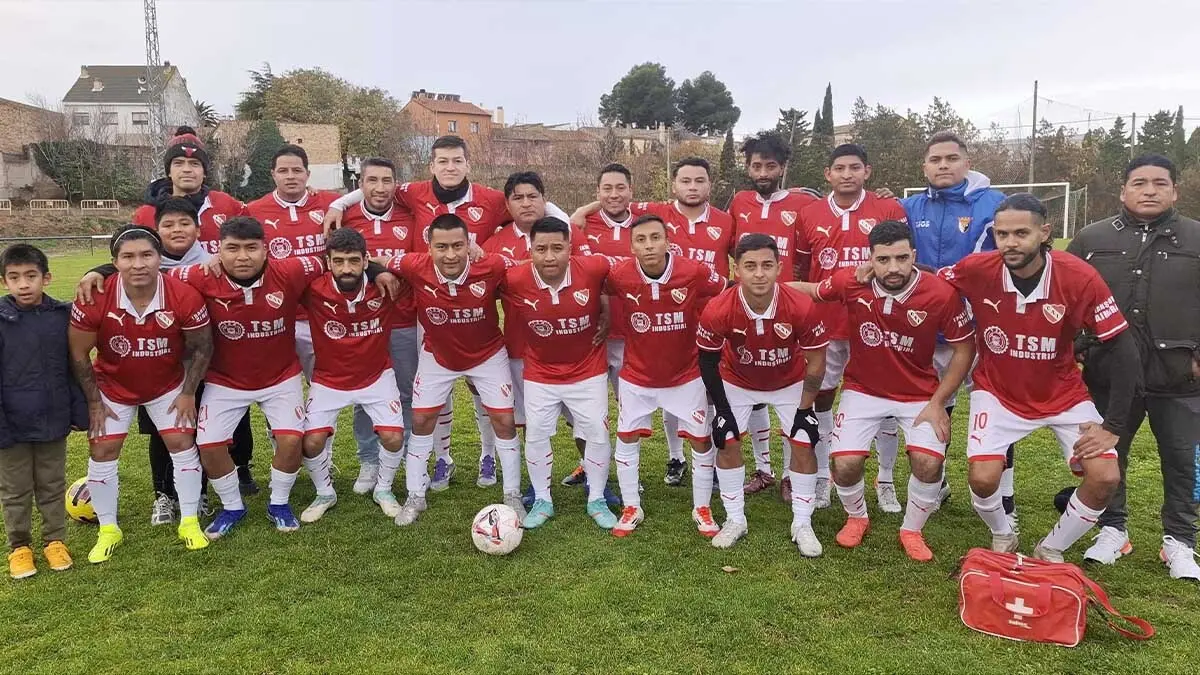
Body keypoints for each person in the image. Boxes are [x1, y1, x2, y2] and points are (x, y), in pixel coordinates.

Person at [936, 193, 1139, 562]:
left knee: (1106, 476)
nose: (1010, 243)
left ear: (1044, 232)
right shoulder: (977, 269)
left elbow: (1122, 347)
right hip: (996, 390)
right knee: (982, 479)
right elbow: (931, 282)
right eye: (1002, 234)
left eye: (1021, 233)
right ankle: (1003, 534)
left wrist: (1113, 426)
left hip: (1062, 393)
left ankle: (1051, 548)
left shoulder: (1078, 276)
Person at [792, 221, 974, 561]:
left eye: (902, 258)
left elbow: (964, 348)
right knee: (844, 465)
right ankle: (857, 517)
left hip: (919, 393)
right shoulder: (852, 282)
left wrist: (939, 402)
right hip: (863, 390)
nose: (893, 268)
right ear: (870, 259)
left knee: (928, 463)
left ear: (914, 256)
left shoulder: (939, 293)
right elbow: (814, 291)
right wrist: (756, 287)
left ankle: (912, 530)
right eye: (883, 259)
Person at [78, 198, 256, 524]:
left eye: (184, 223)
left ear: (199, 230)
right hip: (152, 366)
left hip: (205, 363)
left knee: (202, 431)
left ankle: (213, 486)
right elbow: (129, 259)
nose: (177, 230)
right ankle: (164, 494)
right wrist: (97, 271)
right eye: (168, 224)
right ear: (157, 231)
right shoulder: (140, 262)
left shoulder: (216, 260)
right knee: (161, 434)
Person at [1066, 154, 1200, 580]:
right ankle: (1112, 530)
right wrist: (1079, 345)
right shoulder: (1092, 237)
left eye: (1160, 183)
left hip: (1178, 377)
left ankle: (1180, 541)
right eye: (1139, 183)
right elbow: (1065, 297)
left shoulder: (1196, 238)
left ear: (1175, 191)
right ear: (1123, 190)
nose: (1149, 190)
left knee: (1182, 461)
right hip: (1109, 375)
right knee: (1108, 455)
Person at [572, 158, 735, 487]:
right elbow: (591, 277)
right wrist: (581, 212)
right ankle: (594, 466)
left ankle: (687, 459)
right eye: (607, 189)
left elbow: (733, 274)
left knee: (684, 396)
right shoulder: (589, 224)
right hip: (612, 332)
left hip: (682, 326)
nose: (615, 194)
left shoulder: (714, 220)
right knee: (604, 405)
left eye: (621, 188)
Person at [170, 217, 329, 537]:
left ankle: (279, 503)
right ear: (218, 251)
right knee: (209, 445)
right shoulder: (200, 275)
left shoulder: (290, 270)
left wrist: (378, 272)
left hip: (280, 377)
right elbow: (151, 274)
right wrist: (99, 273)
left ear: (266, 250)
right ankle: (232, 507)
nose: (242, 256)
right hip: (225, 380)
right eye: (232, 248)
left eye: (251, 248)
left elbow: (332, 260)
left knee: (291, 440)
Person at [68, 226, 214, 563]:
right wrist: (94, 402)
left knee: (181, 443)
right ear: (115, 262)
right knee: (102, 449)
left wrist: (188, 393)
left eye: (147, 255)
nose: (138, 264)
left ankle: (189, 521)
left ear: (159, 257)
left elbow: (202, 347)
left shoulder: (183, 294)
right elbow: (78, 353)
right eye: (128, 257)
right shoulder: (95, 296)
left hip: (167, 385)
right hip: (112, 386)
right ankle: (109, 529)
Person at [385, 214, 523, 525]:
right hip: (438, 356)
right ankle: (415, 496)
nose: (450, 254)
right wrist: (380, 274)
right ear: (429, 247)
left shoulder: (491, 265)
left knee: (504, 420)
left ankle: (512, 494)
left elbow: (528, 269)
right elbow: (378, 261)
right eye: (442, 247)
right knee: (421, 420)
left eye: (458, 246)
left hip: (487, 355)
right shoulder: (413, 265)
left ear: (469, 244)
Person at [900, 130, 1010, 515]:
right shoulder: (909, 207)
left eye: (951, 158)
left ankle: (1004, 496)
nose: (943, 165)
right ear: (924, 167)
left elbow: (1008, 258)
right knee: (936, 403)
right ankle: (938, 481)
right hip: (926, 327)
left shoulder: (995, 204)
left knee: (994, 408)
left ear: (967, 162)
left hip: (982, 327)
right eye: (935, 160)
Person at [796, 143, 910, 513]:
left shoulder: (887, 208)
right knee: (820, 396)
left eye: (855, 167)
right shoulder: (809, 213)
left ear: (867, 171)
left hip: (878, 321)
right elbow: (803, 270)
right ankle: (823, 476)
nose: (847, 174)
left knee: (886, 400)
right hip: (826, 323)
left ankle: (886, 479)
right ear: (827, 174)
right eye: (840, 168)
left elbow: (903, 263)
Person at [697, 233, 828, 552]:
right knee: (726, 438)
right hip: (738, 380)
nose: (759, 274)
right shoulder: (718, 308)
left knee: (804, 440)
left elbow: (817, 361)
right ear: (736, 269)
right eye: (750, 266)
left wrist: (805, 410)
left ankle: (802, 522)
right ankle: (735, 519)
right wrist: (722, 411)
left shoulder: (800, 305)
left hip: (789, 381)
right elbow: (707, 361)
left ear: (779, 268)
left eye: (767, 265)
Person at [606, 214, 728, 537]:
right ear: (631, 247)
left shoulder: (693, 271)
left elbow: (724, 291)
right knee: (626, 437)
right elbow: (594, 289)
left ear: (667, 241)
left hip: (685, 375)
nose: (649, 245)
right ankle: (631, 506)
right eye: (641, 240)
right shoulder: (619, 275)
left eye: (655, 238)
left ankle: (702, 508)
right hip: (636, 376)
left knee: (701, 440)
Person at [499, 217, 616, 530]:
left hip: (588, 368)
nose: (549, 256)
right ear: (530, 249)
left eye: (557, 248)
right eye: (541, 249)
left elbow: (625, 276)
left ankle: (597, 499)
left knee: (597, 432)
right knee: (537, 433)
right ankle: (542, 499)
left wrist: (606, 306)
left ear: (570, 248)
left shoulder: (594, 267)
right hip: (540, 372)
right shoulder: (513, 278)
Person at [484, 172, 592, 491]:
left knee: (582, 420)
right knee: (532, 422)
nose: (526, 203)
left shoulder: (568, 233)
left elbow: (591, 279)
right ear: (507, 205)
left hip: (574, 349)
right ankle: (536, 484)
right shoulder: (495, 244)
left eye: (533, 196)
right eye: (518, 198)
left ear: (545, 199)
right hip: (522, 349)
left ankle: (591, 470)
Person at [727, 132, 821, 499]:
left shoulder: (804, 202)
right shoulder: (739, 202)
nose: (763, 172)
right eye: (756, 166)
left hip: (788, 310)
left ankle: (787, 474)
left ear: (782, 167)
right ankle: (762, 468)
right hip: (745, 308)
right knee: (750, 385)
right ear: (748, 167)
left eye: (770, 166)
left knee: (787, 388)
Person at [296, 228, 406, 524]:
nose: (347, 268)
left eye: (354, 261)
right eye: (339, 261)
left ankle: (383, 490)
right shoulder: (313, 289)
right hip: (329, 379)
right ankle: (325, 494)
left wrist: (381, 270)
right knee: (311, 442)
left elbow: (421, 266)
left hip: (376, 376)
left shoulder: (386, 286)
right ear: (328, 262)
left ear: (366, 260)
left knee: (394, 438)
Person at [0, 245, 86, 578]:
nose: (23, 284)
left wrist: (78, 410)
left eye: (31, 276)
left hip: (53, 419)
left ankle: (55, 541)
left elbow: (73, 368)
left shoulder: (62, 316)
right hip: (11, 424)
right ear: (5, 281)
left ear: (46, 278)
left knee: (52, 484)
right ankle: (19, 547)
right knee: (15, 489)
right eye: (14, 277)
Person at [337, 157, 419, 497]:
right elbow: (339, 262)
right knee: (364, 395)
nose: (380, 188)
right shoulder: (346, 219)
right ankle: (369, 460)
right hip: (363, 324)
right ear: (361, 185)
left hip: (404, 320)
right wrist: (376, 270)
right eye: (372, 180)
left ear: (396, 184)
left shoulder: (410, 217)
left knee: (407, 392)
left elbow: (419, 262)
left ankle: (409, 456)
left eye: (387, 180)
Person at [131, 126, 248, 254]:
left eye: (194, 163)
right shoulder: (145, 215)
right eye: (178, 163)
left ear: (204, 172)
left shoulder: (227, 204)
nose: (187, 169)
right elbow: (133, 256)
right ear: (169, 172)